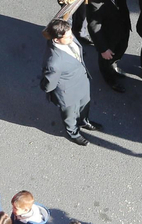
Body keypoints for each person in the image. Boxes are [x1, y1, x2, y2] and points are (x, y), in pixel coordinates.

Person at [41, 18, 102, 146]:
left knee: (85, 104)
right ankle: (73, 132)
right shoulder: (54, 62)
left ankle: (84, 121)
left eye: (71, 34)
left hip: (81, 81)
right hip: (67, 92)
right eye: (68, 37)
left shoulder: (68, 39)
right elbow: (48, 85)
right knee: (69, 115)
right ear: (56, 39)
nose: (72, 38)